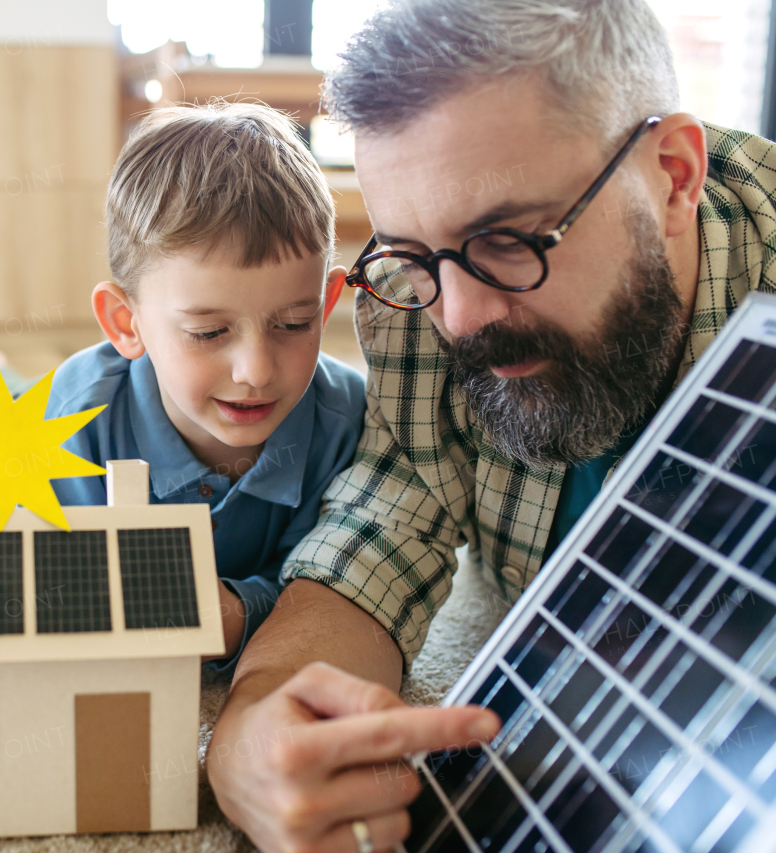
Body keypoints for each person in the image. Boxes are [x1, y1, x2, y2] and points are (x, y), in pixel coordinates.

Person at [206, 2, 776, 852]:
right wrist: (254, 724)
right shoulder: (420, 300)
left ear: (674, 177)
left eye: (507, 240)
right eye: (416, 251)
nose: (463, 317)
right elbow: (377, 532)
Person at [41, 101, 367, 671]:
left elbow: (327, 591)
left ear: (327, 302)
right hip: (29, 415)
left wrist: (239, 610)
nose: (256, 371)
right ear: (127, 323)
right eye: (208, 332)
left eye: (294, 324)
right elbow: (48, 580)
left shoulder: (347, 422)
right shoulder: (77, 420)